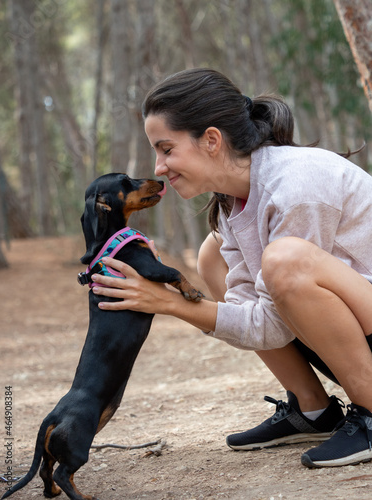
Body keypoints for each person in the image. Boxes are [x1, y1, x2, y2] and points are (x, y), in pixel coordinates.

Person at [91, 68, 372, 468]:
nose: (158, 167)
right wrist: (172, 300)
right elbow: (254, 317)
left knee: (285, 261)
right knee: (212, 253)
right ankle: (313, 411)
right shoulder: (234, 201)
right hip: (358, 332)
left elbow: (272, 325)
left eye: (166, 149)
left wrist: (169, 303)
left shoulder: (296, 186)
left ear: (211, 140)